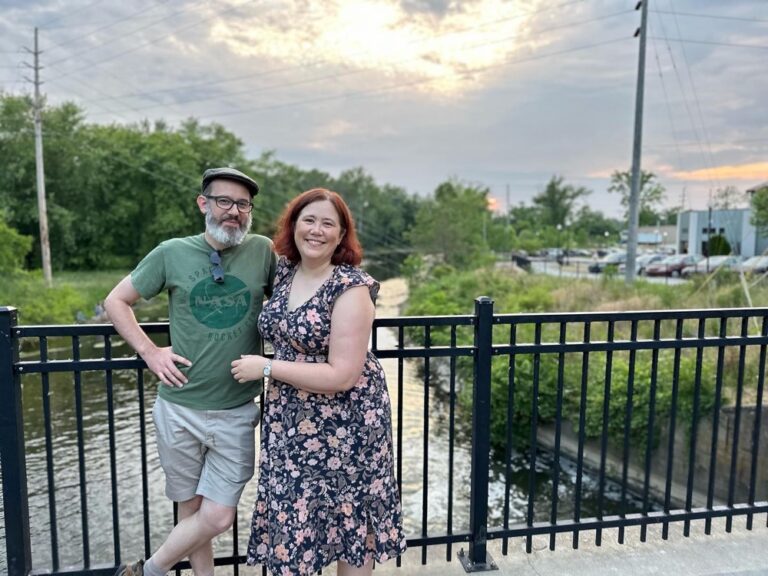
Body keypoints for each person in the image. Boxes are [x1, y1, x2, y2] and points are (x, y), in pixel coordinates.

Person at [105, 167, 277, 576]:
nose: (233, 211)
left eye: (242, 204)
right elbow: (116, 301)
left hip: (236, 409)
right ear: (204, 204)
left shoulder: (263, 251)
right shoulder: (171, 252)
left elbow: (300, 293)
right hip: (178, 406)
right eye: (224, 201)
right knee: (191, 511)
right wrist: (150, 351)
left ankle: (147, 571)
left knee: (218, 518)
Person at [231, 188, 406, 575]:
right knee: (295, 519)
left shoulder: (351, 286)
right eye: (309, 220)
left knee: (350, 523)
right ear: (293, 225)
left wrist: (267, 367)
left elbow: (343, 375)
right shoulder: (284, 272)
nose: (317, 230)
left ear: (342, 235)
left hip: (347, 424)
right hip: (291, 423)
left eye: (329, 223)